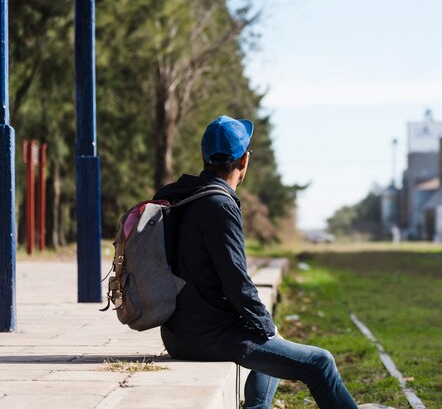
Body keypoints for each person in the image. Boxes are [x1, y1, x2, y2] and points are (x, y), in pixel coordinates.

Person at [154, 115, 367, 409]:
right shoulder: (219, 205)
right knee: (320, 363)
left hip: (177, 332)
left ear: (203, 157)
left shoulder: (181, 196)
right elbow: (237, 283)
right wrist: (268, 326)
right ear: (244, 161)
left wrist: (264, 326)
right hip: (210, 335)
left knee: (267, 340)